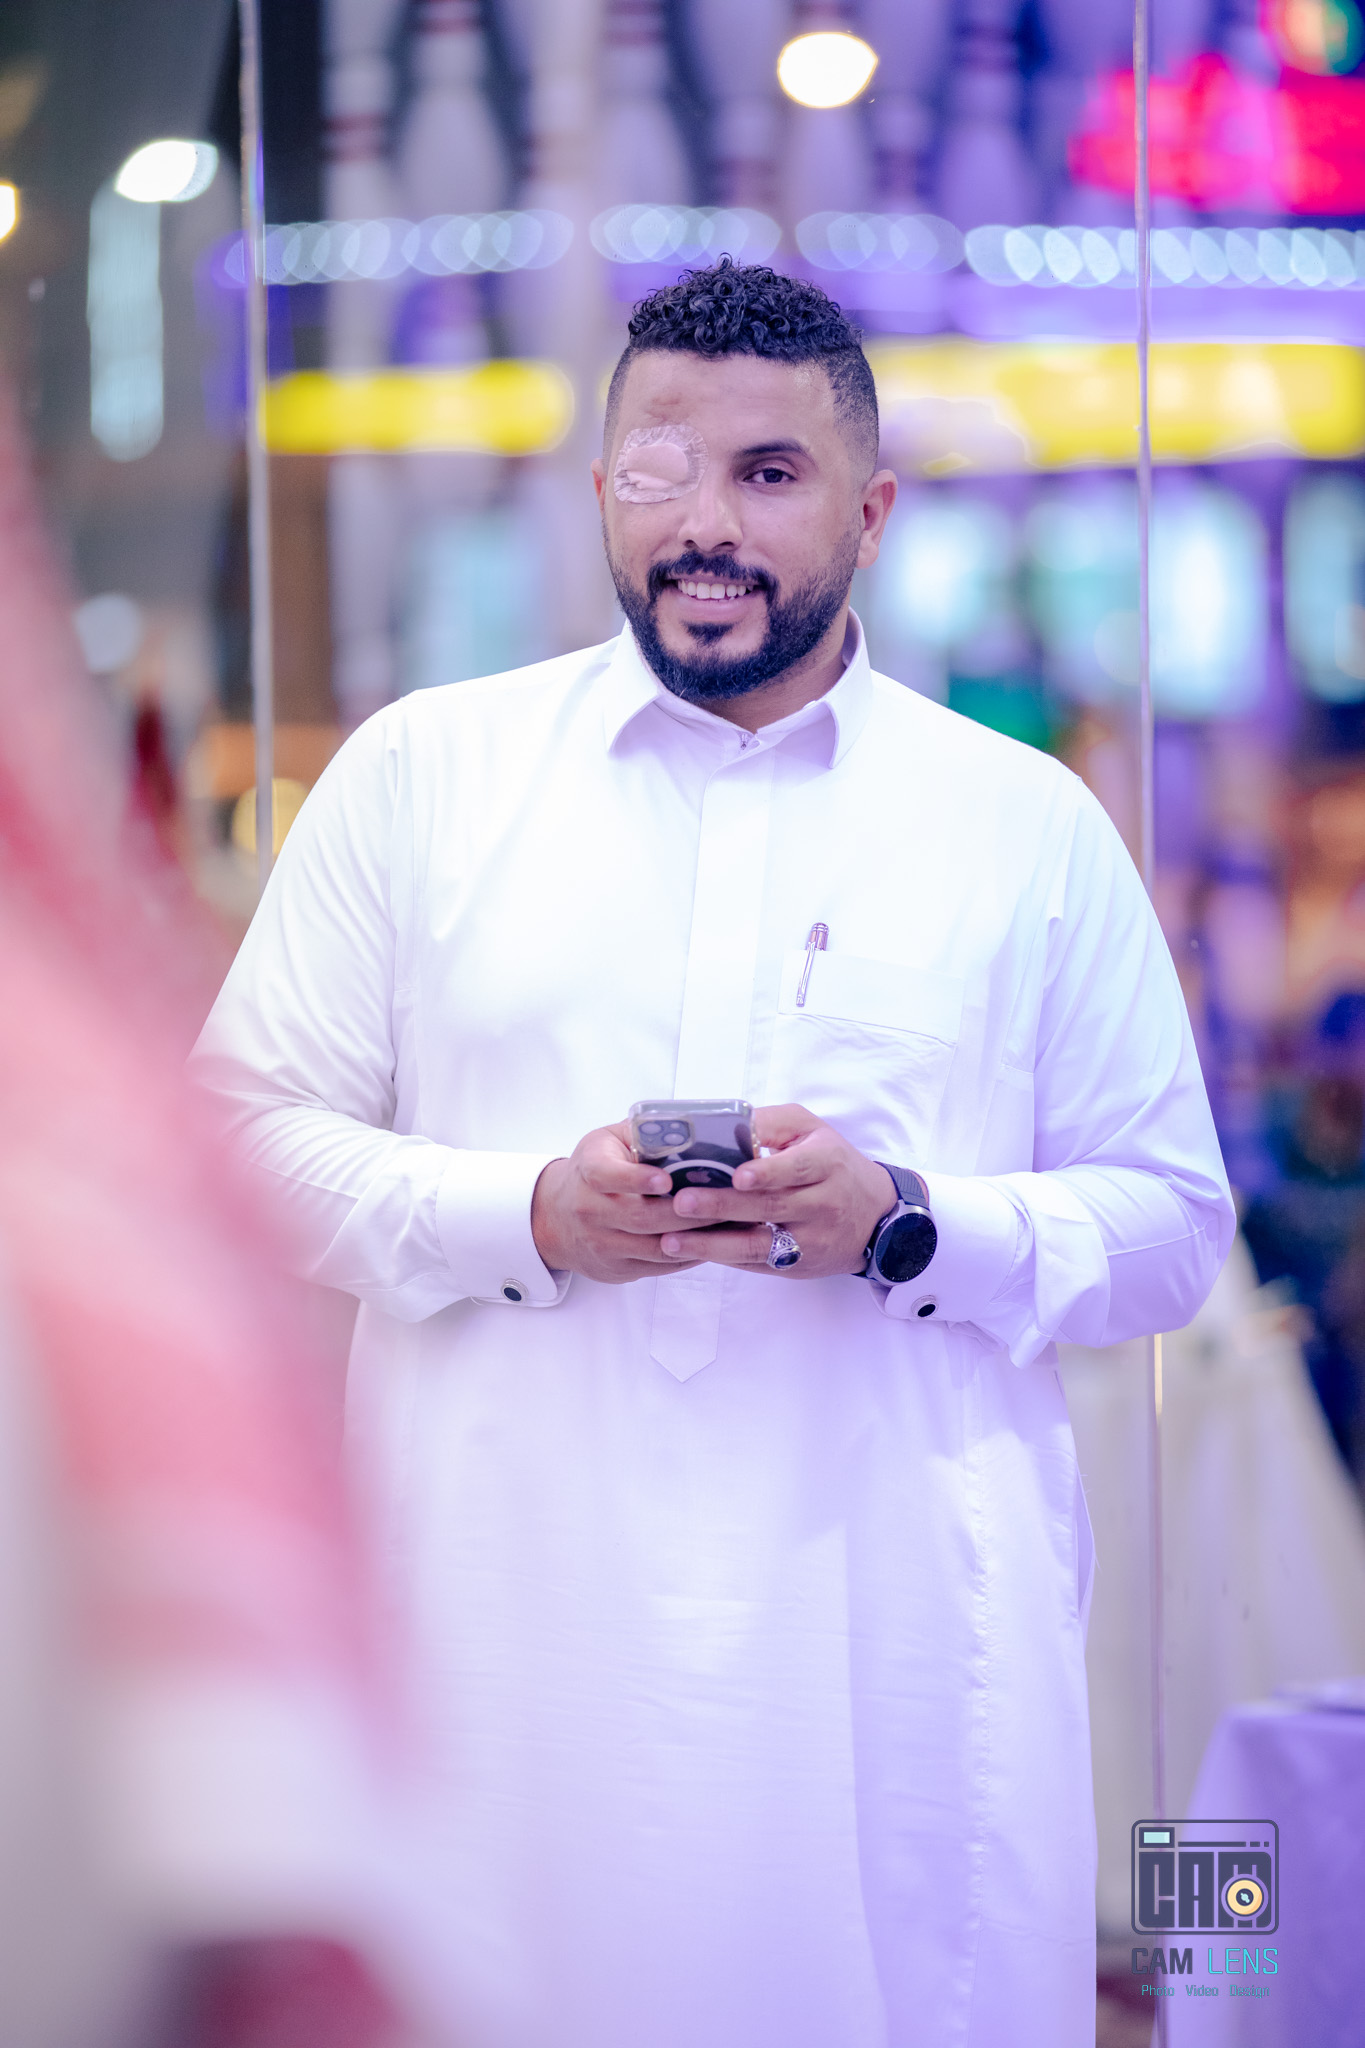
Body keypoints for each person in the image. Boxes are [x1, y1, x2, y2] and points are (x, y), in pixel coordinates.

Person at [191, 260, 1234, 2048]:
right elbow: (237, 1144)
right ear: (602, 487)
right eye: (662, 471)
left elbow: (1168, 1227)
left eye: (768, 474)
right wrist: (525, 1213)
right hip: (503, 1661)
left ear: (870, 514)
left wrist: (904, 1224)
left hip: (888, 1681)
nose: (705, 528)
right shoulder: (424, 777)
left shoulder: (1019, 826)